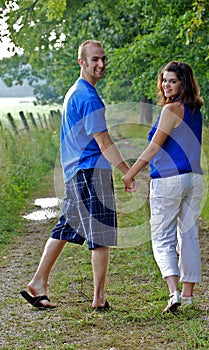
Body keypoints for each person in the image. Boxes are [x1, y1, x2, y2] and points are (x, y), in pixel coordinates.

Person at [20, 39, 135, 311]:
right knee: (101, 234)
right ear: (81, 62)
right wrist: (127, 173)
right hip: (91, 172)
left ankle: (38, 282)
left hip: (76, 172)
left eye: (103, 59)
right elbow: (104, 142)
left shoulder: (75, 91)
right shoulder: (88, 97)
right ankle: (99, 298)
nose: (101, 64)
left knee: (66, 227)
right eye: (94, 59)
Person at [122, 61, 204, 313]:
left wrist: (130, 173)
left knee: (161, 236)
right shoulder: (195, 110)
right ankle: (188, 295)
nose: (166, 85)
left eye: (173, 81)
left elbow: (154, 147)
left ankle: (174, 293)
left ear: (183, 83)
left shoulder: (170, 110)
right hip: (194, 178)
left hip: (169, 180)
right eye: (164, 80)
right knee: (188, 235)